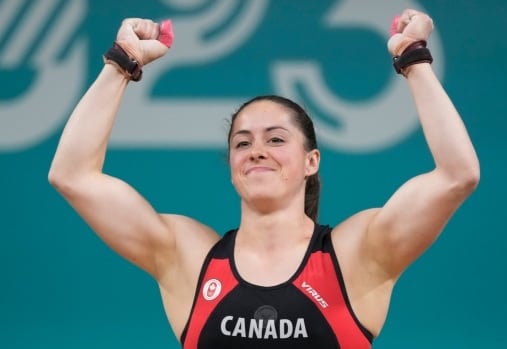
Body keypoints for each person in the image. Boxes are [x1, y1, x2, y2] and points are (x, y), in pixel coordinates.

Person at [48, 8, 480, 349]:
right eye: (242, 142)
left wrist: (413, 58)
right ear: (232, 166)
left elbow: (458, 175)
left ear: (311, 161)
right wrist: (122, 62)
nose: (256, 150)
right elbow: (72, 175)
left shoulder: (358, 254)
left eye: (276, 139)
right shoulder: (187, 258)